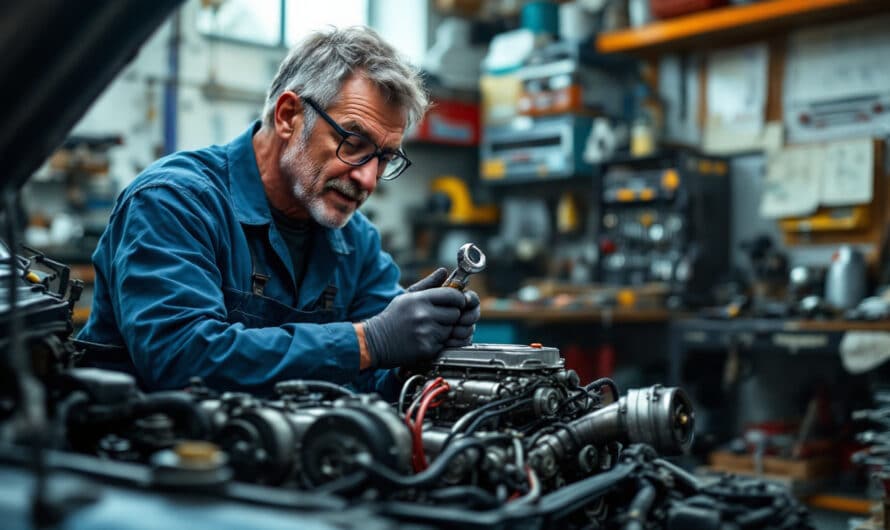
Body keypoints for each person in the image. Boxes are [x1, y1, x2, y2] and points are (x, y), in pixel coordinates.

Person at [76, 26, 480, 399]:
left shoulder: (356, 242)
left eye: (384, 158)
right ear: (288, 116)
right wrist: (366, 342)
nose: (368, 179)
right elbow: (181, 357)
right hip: (140, 463)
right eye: (353, 143)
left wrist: (418, 352)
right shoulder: (174, 201)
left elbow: (374, 380)